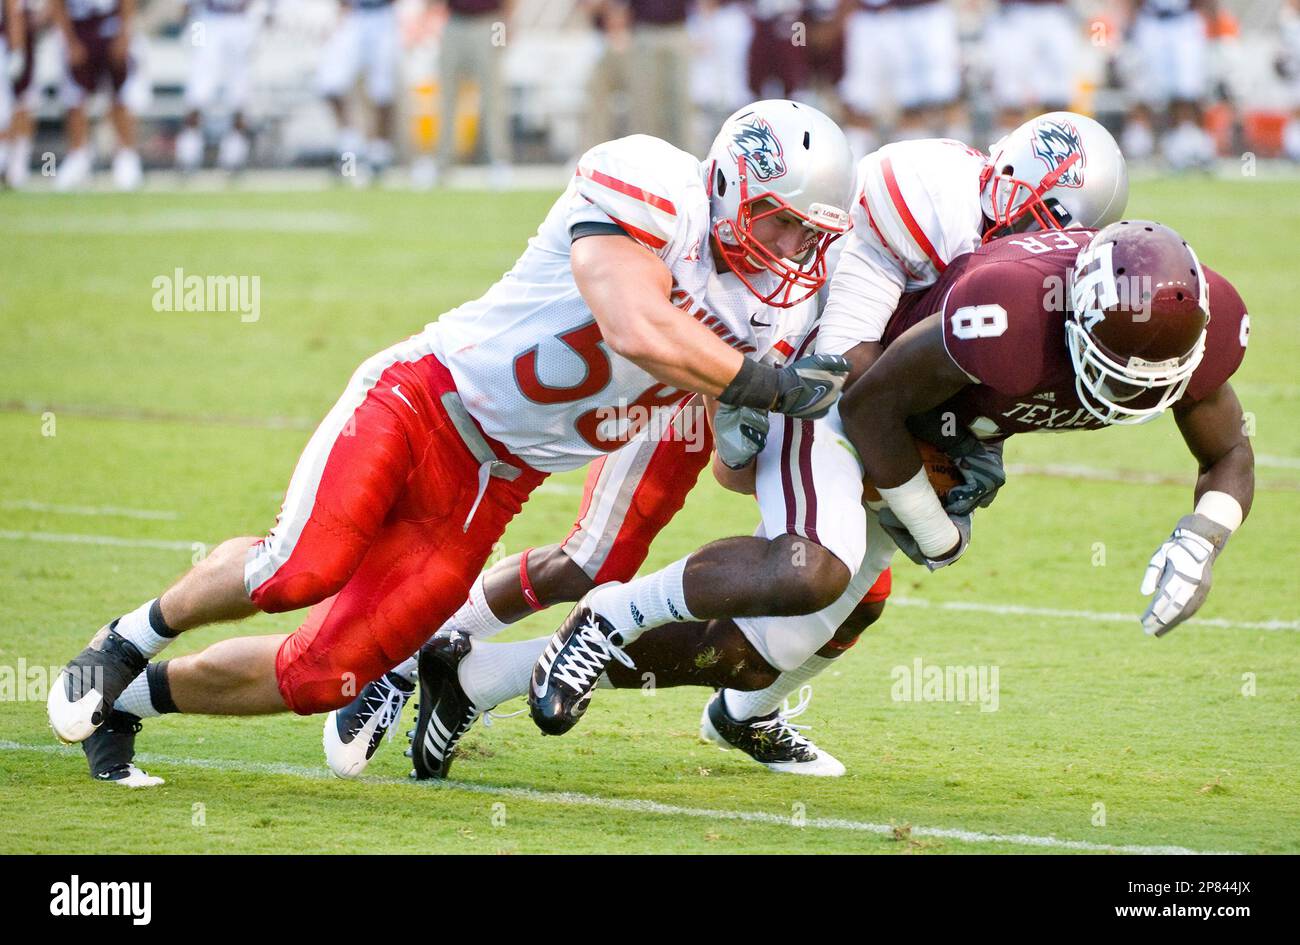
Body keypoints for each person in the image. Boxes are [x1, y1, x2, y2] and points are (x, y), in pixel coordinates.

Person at [47, 100, 858, 787]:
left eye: (807, 234)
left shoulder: (780, 312)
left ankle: (130, 701)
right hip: (425, 402)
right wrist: (760, 384)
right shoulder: (653, 185)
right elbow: (634, 323)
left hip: (494, 480)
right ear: (728, 184)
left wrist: (751, 423)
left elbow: (725, 466)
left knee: (327, 674)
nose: (791, 251)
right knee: (297, 571)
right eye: (779, 221)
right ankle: (127, 637)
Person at [360, 112, 1127, 780]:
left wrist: (960, 441)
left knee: (837, 609)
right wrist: (920, 502)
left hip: (800, 377)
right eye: (1038, 223)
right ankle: (417, 652)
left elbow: (919, 368)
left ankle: (731, 710)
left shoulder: (1015, 267)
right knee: (604, 559)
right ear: (1009, 185)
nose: (1040, 248)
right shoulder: (916, 194)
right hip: (750, 366)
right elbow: (848, 372)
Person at [503, 221, 1248, 781]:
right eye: (1113, 373)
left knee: (777, 650)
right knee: (811, 571)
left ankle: (481, 677)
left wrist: (1200, 538)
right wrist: (931, 520)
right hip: (843, 385)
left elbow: (1228, 450)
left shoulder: (1192, 324)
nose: (1123, 399)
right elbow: (867, 405)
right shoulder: (1006, 313)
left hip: (930, 423)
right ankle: (612, 612)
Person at [51, 0, 144, 190]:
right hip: (78, 27)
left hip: (110, 25)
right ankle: (78, 156)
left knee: (121, 95)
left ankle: (126, 157)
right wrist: (69, 39)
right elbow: (57, 4)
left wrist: (124, 32)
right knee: (74, 98)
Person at [175, 0, 268, 175]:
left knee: (239, 91)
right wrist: (189, 22)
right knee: (198, 90)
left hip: (241, 19)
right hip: (205, 18)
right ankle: (188, 154)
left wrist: (257, 24)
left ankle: (234, 156)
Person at [318, 0, 402, 179]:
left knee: (382, 90)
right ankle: (350, 148)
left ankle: (379, 154)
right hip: (353, 13)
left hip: (382, 14)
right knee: (331, 83)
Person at [432, 0, 511, 188]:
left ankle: (498, 161)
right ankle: (442, 163)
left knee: (492, 97)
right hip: (454, 21)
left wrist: (506, 23)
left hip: (490, 22)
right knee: (446, 97)